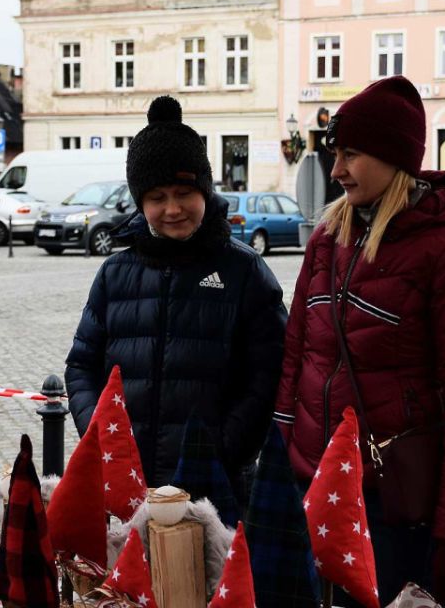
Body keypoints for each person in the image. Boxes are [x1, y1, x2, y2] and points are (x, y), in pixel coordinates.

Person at [273, 76, 445, 606]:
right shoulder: (326, 239)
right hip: (312, 489)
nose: (336, 170)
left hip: (390, 509)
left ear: (393, 157)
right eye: (335, 154)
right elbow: (296, 360)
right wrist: (280, 466)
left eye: (350, 155)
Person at [66, 95, 287, 505]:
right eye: (157, 197)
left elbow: (269, 374)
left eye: (184, 192)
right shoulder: (115, 273)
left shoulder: (244, 270)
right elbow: (81, 367)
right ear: (140, 202)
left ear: (205, 191)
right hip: (126, 484)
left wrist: (221, 451)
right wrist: (104, 438)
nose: (172, 209)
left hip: (215, 491)